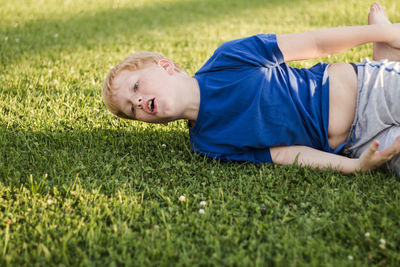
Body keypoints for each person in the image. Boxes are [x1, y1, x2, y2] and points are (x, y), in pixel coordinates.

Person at [102, 2, 400, 176]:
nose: (138, 101)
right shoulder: (207, 145)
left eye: (136, 86)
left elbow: (316, 43)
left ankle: (385, 49)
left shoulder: (228, 59)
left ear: (166, 66)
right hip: (358, 143)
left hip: (370, 88)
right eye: (131, 108)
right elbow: (285, 154)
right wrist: (355, 166)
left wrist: (385, 32)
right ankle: (386, 55)